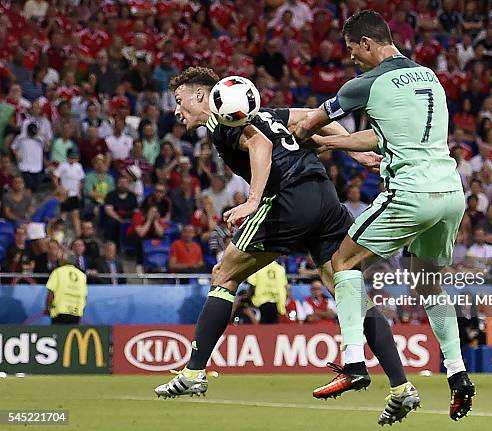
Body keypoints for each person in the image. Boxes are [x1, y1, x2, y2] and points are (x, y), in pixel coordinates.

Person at [155, 67, 409, 426]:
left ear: (201, 96)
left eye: (180, 101)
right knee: (349, 290)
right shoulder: (266, 113)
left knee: (224, 274)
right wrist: (354, 154)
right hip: (323, 196)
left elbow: (258, 144)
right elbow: (311, 118)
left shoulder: (223, 123)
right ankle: (401, 387)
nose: (177, 111)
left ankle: (194, 372)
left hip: (287, 199)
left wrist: (252, 200)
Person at [291, 10, 473, 420]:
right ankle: (458, 374)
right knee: (428, 286)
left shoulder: (365, 83)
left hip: (411, 192)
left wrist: (304, 137)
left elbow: (312, 122)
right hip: (450, 191)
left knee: (343, 262)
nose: (352, 58)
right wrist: (344, 148)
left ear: (368, 43)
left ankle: (354, 361)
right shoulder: (429, 77)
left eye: (353, 50)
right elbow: (385, 133)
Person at [45, 252, 88, 325]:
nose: (59, 259)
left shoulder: (57, 272)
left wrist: (48, 308)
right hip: (76, 313)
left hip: (60, 311)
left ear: (64, 260)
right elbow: (84, 296)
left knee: (59, 335)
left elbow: (51, 294)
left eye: (61, 257)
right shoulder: (82, 275)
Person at [53, 148, 85, 237]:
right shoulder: (63, 165)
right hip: (65, 194)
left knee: (76, 215)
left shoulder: (79, 166)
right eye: (71, 157)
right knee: (63, 215)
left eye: (74, 157)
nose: (73, 159)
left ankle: (79, 236)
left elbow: (81, 180)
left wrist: (79, 192)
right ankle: (58, 235)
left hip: (74, 194)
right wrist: (59, 188)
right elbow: (55, 177)